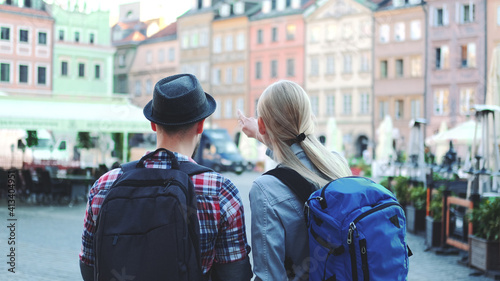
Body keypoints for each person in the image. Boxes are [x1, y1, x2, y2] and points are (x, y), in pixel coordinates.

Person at [79, 74, 252, 281]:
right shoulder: (220, 191)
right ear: (200, 126)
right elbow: (234, 274)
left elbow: (89, 265)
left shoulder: (105, 185)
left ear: (153, 125)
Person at [238, 80, 352, 281]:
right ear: (308, 118)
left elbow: (269, 276)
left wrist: (263, 132)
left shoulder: (265, 189)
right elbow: (298, 158)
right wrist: (261, 133)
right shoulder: (337, 162)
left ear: (262, 125)